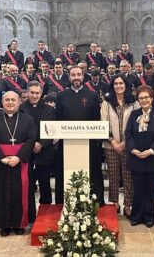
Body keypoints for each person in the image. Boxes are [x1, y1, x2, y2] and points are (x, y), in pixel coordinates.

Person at [0, 91, 36, 236]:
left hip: (20, 162)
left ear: (19, 102)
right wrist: (1, 158)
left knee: (20, 193)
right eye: (7, 100)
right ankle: (4, 225)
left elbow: (31, 139)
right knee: (0, 192)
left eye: (13, 100)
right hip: (0, 163)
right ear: (2, 102)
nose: (10, 102)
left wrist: (18, 157)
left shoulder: (28, 119)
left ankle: (20, 224)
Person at [54, 66, 104, 205]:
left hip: (88, 143)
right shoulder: (61, 96)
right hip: (67, 143)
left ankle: (93, 200)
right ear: (69, 77)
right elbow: (58, 119)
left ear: (83, 76)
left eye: (78, 74)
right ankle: (65, 201)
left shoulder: (92, 95)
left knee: (92, 172)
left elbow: (96, 119)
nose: (76, 77)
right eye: (73, 75)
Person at [125, 85, 154, 227]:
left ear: (152, 98)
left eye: (146, 97)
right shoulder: (134, 114)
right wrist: (133, 150)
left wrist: (151, 151)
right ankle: (136, 216)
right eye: (141, 98)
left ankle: (150, 217)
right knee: (137, 189)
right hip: (136, 157)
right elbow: (128, 134)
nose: (144, 100)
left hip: (153, 158)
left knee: (150, 190)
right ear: (138, 100)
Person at [101, 75, 138, 216]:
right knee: (113, 176)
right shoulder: (107, 102)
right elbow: (103, 123)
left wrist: (125, 143)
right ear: (112, 86)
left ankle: (128, 204)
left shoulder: (133, 102)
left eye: (121, 83)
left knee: (128, 176)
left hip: (129, 145)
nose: (118, 86)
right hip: (110, 145)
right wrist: (113, 141)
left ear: (125, 85)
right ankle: (114, 203)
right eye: (115, 84)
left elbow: (137, 123)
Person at [19, 81, 56, 209]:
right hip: (26, 151)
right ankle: (29, 212)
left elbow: (52, 130)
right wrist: (31, 144)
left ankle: (46, 210)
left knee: (45, 182)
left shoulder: (50, 110)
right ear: (27, 92)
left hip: (44, 150)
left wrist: (41, 144)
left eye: (37, 93)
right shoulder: (20, 109)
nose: (34, 95)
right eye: (32, 93)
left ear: (41, 94)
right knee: (27, 182)